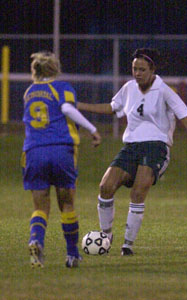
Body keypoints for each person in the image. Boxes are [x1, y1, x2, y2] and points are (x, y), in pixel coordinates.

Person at [77, 48, 187, 256]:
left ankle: (127, 245)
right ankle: (106, 236)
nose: (137, 73)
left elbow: (185, 118)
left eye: (142, 69)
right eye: (134, 69)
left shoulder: (164, 90)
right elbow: (112, 107)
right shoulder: (129, 88)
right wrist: (79, 105)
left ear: (152, 70)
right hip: (131, 146)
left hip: (156, 146)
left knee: (138, 191)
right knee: (105, 186)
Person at [21, 51, 101, 268]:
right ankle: (72, 254)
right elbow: (66, 108)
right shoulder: (62, 87)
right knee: (66, 203)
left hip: (34, 152)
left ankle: (36, 240)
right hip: (60, 150)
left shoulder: (29, 92)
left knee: (40, 206)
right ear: (55, 69)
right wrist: (92, 128)